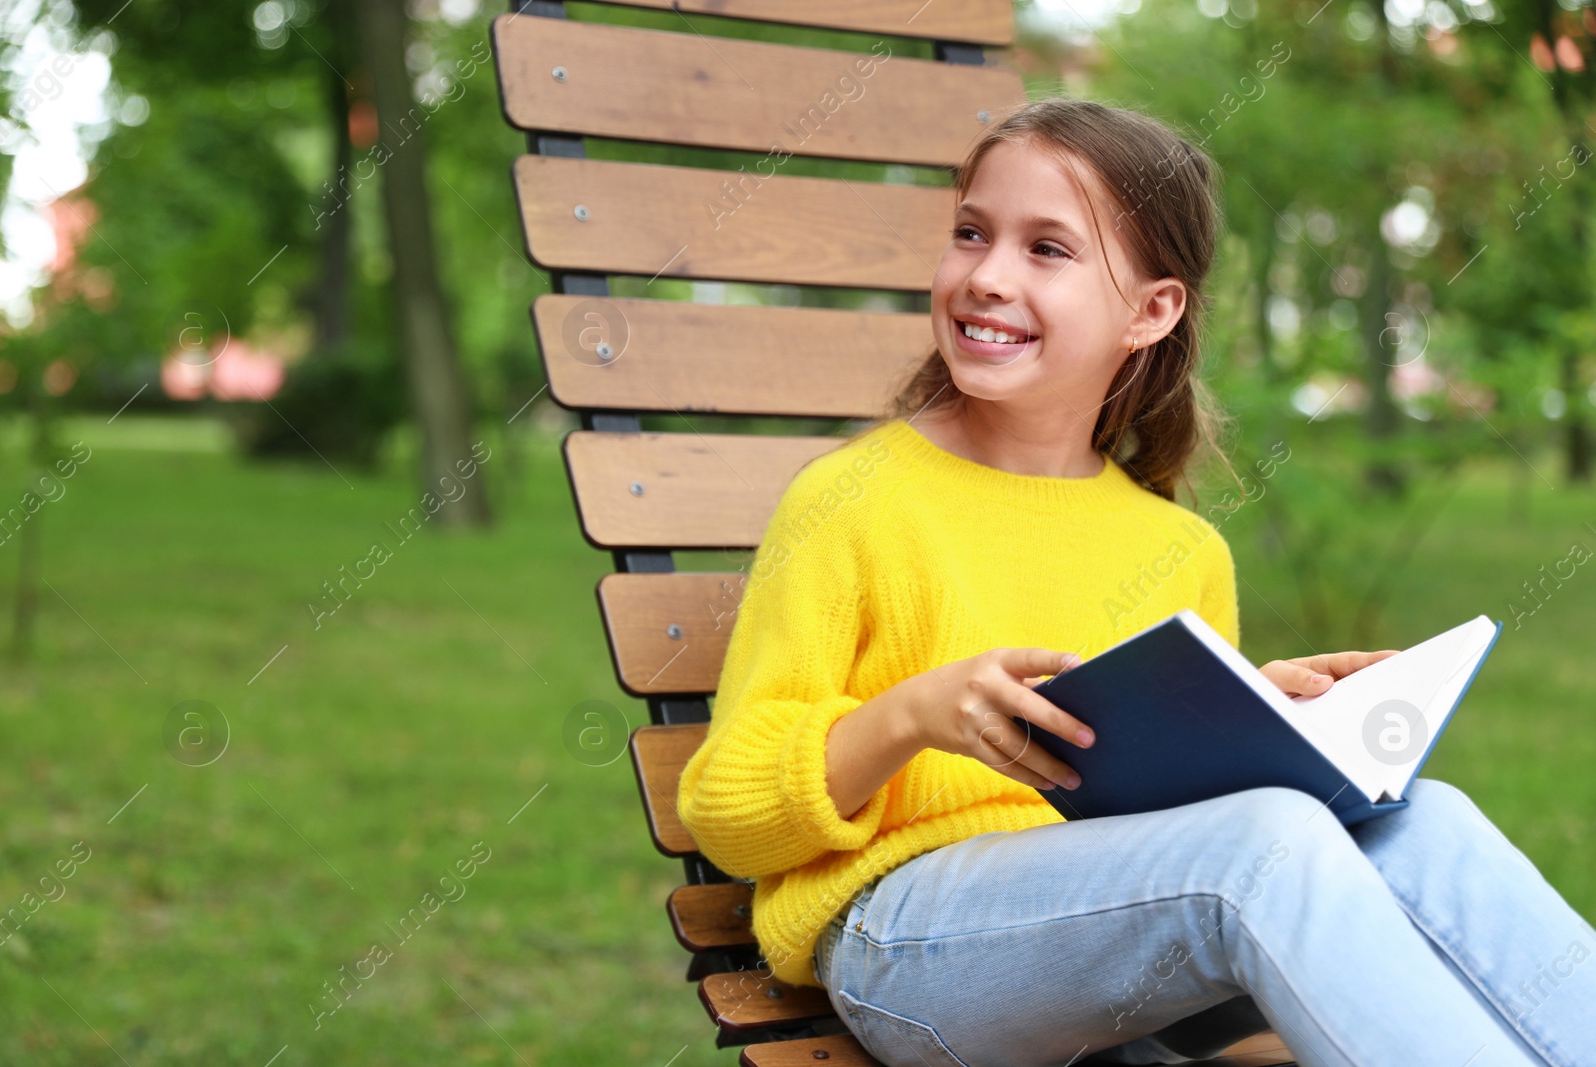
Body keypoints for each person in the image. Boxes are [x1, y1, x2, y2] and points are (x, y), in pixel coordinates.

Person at [675, 97, 1596, 1067]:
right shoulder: (850, 500)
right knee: (1265, 842)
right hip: (904, 944)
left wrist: (1259, 721)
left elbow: (1178, 825)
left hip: (1117, 956)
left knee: (1423, 818)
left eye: (1047, 249)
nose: (987, 276)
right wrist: (913, 714)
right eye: (970, 233)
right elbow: (728, 818)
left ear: (1150, 310)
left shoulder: (1178, 545)